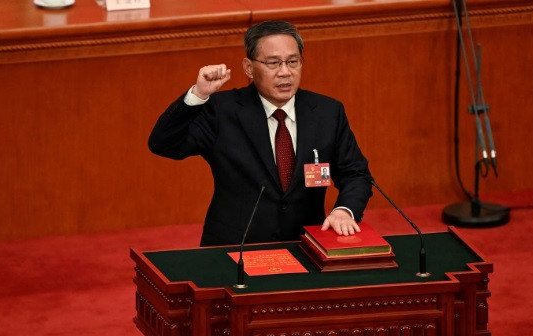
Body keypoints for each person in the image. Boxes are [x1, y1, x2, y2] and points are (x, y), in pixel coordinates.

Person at [148, 20, 372, 247]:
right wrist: (197, 95)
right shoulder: (222, 111)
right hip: (235, 249)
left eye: (293, 62)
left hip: (306, 246)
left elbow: (355, 173)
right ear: (249, 68)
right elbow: (164, 144)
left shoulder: (326, 112)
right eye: (273, 63)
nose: (285, 72)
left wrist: (345, 210)